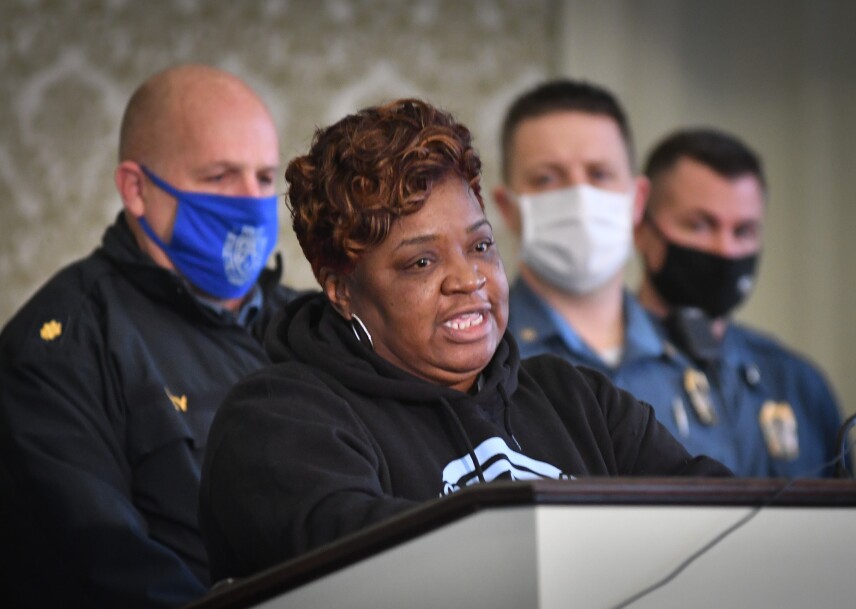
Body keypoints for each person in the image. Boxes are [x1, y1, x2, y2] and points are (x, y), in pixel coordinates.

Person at [198, 98, 731, 582]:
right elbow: (381, 572)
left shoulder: (579, 400)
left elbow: (723, 521)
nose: (468, 279)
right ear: (341, 289)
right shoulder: (279, 421)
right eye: (421, 262)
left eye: (480, 246)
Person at [0, 64, 299, 608]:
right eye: (219, 176)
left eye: (262, 177)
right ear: (136, 189)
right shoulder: (61, 349)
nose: (249, 201)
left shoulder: (310, 326)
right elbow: (104, 567)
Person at [490, 80, 706, 457]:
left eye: (600, 174)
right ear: (507, 208)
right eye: (547, 178)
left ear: (638, 200)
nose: (580, 195)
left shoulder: (704, 363)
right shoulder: (477, 361)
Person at [634, 128, 843, 477]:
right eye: (700, 225)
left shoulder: (797, 382)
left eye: (743, 231)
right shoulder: (601, 376)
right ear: (642, 228)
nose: (726, 250)